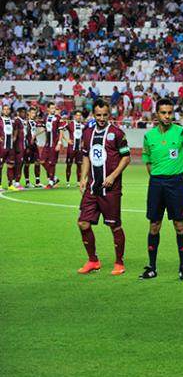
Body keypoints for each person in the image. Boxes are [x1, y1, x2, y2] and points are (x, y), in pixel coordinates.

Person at [140, 98, 183, 281]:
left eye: (169, 112)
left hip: (175, 183)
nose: (167, 116)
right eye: (163, 113)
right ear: (157, 114)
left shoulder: (181, 133)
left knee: (179, 226)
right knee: (154, 225)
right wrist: (156, 176)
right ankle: (152, 267)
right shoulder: (149, 136)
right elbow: (147, 161)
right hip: (157, 184)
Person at [77, 100, 131, 275]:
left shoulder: (117, 133)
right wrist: (83, 178)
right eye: (98, 115)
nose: (101, 118)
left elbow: (126, 158)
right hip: (92, 189)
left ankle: (119, 263)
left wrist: (113, 176)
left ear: (110, 114)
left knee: (114, 226)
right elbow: (86, 156)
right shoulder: (87, 133)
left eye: (104, 115)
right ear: (93, 114)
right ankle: (93, 260)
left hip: (110, 189)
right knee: (83, 224)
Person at [41, 102, 65, 189]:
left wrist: (59, 143)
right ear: (47, 109)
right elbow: (44, 129)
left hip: (54, 143)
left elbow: (61, 131)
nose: (53, 109)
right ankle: (54, 178)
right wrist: (35, 135)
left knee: (52, 164)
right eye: (51, 108)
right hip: (47, 144)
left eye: (54, 108)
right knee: (42, 161)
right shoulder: (45, 118)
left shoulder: (58, 118)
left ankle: (51, 182)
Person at [63, 110, 85, 187]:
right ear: (74, 116)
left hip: (79, 149)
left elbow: (85, 136)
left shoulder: (83, 126)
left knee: (79, 165)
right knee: (69, 165)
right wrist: (66, 139)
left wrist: (83, 142)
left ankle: (78, 182)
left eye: (80, 115)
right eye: (77, 115)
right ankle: (67, 181)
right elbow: (60, 129)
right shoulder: (70, 124)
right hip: (71, 149)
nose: (79, 117)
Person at [23, 107, 43, 188]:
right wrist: (27, 144)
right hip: (28, 145)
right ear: (28, 113)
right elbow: (25, 134)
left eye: (34, 113)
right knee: (27, 164)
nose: (33, 115)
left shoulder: (34, 122)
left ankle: (37, 182)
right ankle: (27, 182)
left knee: (37, 162)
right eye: (32, 113)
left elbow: (40, 129)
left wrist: (35, 136)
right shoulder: (26, 123)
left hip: (34, 145)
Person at [11, 107, 29, 190]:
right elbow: (13, 132)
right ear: (18, 113)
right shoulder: (16, 121)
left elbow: (26, 135)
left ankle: (15, 181)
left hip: (23, 145)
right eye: (22, 112)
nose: (24, 114)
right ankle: (15, 182)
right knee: (17, 164)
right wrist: (15, 146)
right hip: (18, 146)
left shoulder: (24, 121)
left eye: (25, 112)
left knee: (20, 164)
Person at [0, 105, 16, 191]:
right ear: (2, 111)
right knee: (0, 166)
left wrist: (14, 137)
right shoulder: (0, 120)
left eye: (7, 109)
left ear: (9, 111)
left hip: (10, 147)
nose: (6, 111)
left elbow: (16, 129)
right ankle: (0, 185)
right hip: (2, 147)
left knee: (10, 165)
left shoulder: (12, 120)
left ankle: (10, 185)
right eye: (4, 109)